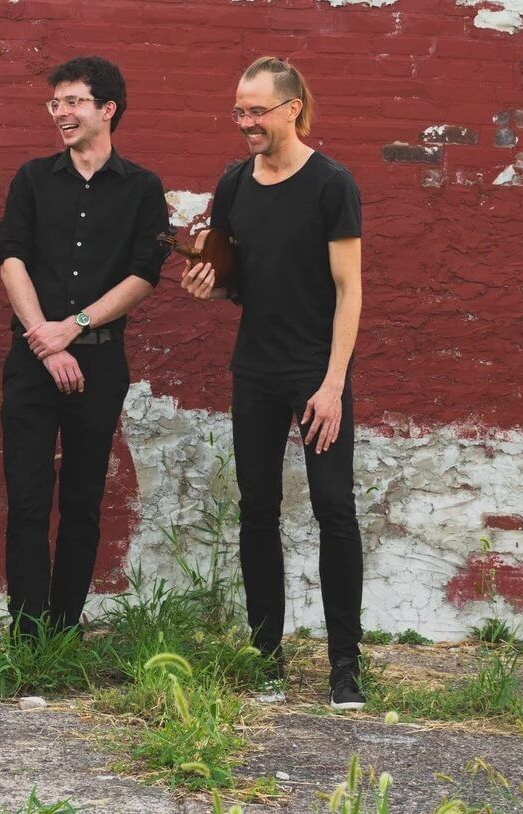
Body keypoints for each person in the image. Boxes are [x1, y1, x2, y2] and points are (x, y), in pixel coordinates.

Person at [180, 57, 366, 710]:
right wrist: (208, 283)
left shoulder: (331, 184)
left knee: (333, 510)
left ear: (291, 109)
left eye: (256, 111)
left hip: (318, 371)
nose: (245, 123)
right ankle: (266, 660)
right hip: (255, 370)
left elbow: (350, 290)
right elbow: (230, 275)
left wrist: (333, 385)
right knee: (257, 512)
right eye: (238, 111)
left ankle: (346, 667)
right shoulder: (233, 184)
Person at [0, 56, 170, 639]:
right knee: (26, 500)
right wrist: (47, 340)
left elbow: (146, 274)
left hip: (99, 359)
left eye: (73, 102)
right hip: (30, 357)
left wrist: (72, 327)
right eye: (56, 104)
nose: (61, 114)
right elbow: (11, 257)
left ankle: (63, 632)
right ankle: (26, 636)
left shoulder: (143, 188)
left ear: (107, 109)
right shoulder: (31, 178)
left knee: (83, 502)